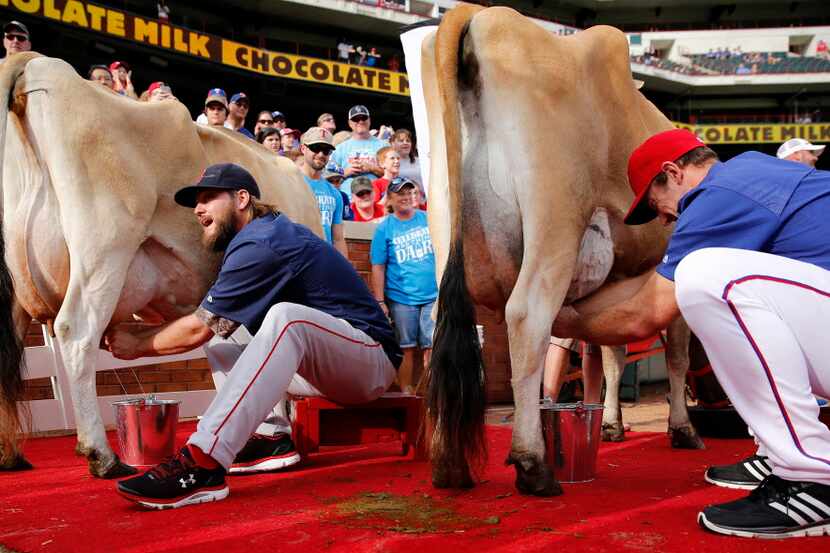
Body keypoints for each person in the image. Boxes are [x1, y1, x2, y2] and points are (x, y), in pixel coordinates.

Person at [552, 128, 830, 538]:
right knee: (721, 290)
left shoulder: (719, 194)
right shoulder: (752, 171)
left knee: (702, 276)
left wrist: (553, 320)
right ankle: (777, 454)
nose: (664, 218)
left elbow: (645, 315)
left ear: (674, 172)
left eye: (656, 204)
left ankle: (813, 477)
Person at [104, 163, 401, 509]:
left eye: (209, 197)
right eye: (196, 202)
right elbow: (209, 325)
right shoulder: (253, 239)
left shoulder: (266, 240)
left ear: (242, 198)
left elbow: (195, 330)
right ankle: (269, 437)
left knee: (284, 319)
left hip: (370, 362)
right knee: (222, 330)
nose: (198, 209)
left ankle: (203, 463)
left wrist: (137, 344)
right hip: (325, 367)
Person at [371, 177, 437, 394]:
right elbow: (378, 267)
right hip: (402, 298)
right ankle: (407, 394)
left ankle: (430, 395)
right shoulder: (384, 228)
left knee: (431, 347)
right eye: (401, 193)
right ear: (390, 198)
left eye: (410, 192)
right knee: (406, 348)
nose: (406, 197)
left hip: (432, 296)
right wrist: (380, 300)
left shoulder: (429, 220)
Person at [299, 127, 348, 257]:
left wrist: (345, 270)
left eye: (326, 150)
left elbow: (338, 238)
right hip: (296, 259)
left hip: (323, 261)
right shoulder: (289, 181)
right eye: (316, 148)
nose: (321, 154)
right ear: (303, 149)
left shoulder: (335, 193)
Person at [329, 105, 387, 201]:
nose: (360, 121)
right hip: (348, 201)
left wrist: (371, 168)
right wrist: (345, 172)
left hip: (377, 200)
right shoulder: (340, 148)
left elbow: (393, 174)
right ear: (349, 123)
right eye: (356, 119)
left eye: (363, 118)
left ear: (369, 120)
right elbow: (328, 176)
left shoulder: (383, 145)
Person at [390, 129, 426, 208]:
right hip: (400, 205)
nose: (405, 143)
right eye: (401, 141)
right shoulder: (390, 163)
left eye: (408, 140)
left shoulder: (421, 161)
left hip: (422, 204)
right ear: (393, 144)